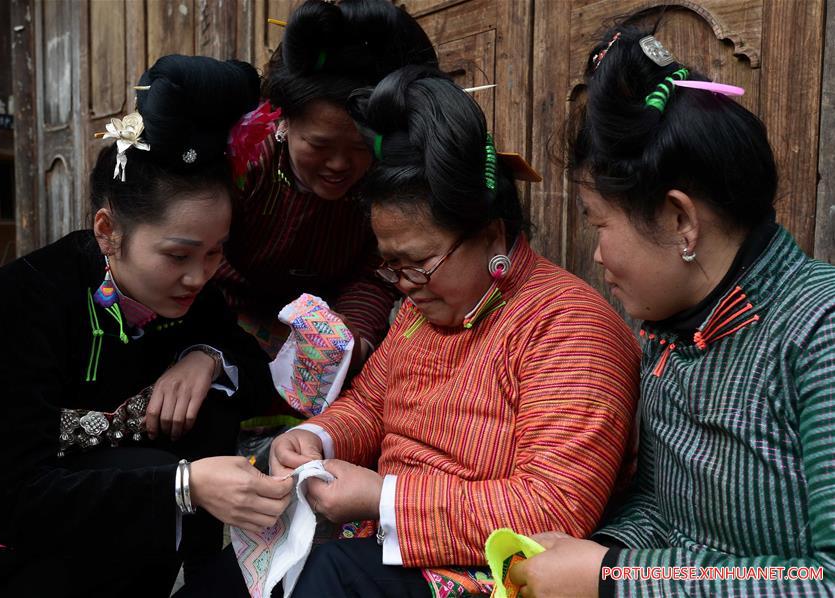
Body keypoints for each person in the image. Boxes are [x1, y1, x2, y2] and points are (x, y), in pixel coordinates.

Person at [261, 66, 642, 597]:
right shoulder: (423, 309)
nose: (404, 286)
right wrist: (316, 437)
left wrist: (384, 498)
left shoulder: (570, 327)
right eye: (390, 267)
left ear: (490, 235)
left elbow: (552, 508)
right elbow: (371, 404)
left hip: (485, 575)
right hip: (382, 544)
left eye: (417, 263)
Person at [0, 55, 292, 597]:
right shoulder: (19, 302)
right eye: (179, 255)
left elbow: (251, 367)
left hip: (77, 475)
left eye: (217, 252)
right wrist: (184, 485)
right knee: (153, 491)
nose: (199, 275)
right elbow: (15, 498)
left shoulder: (190, 294)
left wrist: (205, 358)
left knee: (206, 411)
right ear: (108, 231)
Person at [507, 25, 835, 597]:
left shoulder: (819, 329)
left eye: (598, 223)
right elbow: (662, 513)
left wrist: (613, 580)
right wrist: (595, 553)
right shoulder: (669, 334)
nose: (597, 255)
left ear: (680, 220)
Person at [215, 0, 440, 368]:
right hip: (224, 324)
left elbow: (373, 275)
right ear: (283, 122)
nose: (339, 165)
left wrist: (353, 339)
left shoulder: (383, 184)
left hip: (326, 341)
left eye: (360, 146)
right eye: (319, 145)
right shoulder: (246, 162)